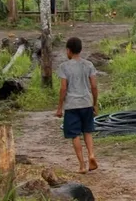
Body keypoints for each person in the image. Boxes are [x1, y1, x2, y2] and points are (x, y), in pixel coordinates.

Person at [55, 37, 99, 174]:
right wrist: (94, 103)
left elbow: (63, 88)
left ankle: (81, 165)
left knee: (75, 135)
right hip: (86, 103)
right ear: (81, 49)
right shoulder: (88, 65)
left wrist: (59, 107)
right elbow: (94, 86)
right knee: (87, 131)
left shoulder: (64, 67)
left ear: (68, 50)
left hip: (72, 105)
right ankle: (91, 154)